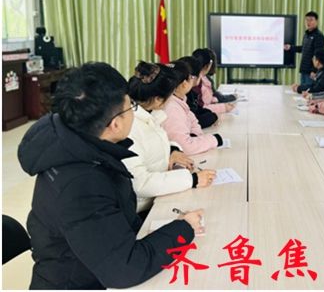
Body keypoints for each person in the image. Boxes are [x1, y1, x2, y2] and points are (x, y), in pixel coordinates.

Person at [17, 62, 204, 289]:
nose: (134, 111)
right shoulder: (82, 184)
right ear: (115, 124)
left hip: (93, 263)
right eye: (131, 106)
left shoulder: (76, 144)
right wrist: (183, 228)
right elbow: (125, 270)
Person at [125, 62, 217, 214]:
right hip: (145, 208)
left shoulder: (151, 114)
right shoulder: (129, 126)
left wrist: (172, 151)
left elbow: (158, 142)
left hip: (162, 193)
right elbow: (140, 184)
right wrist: (192, 180)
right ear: (158, 99)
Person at [163, 60, 226, 155]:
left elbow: (193, 121)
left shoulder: (180, 100)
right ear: (184, 84)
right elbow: (185, 147)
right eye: (191, 77)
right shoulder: (172, 108)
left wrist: (196, 137)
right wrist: (214, 139)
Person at [284, 11, 324, 89]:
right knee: (302, 91)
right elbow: (303, 48)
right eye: (307, 20)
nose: (308, 22)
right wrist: (290, 47)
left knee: (308, 91)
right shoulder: (306, 35)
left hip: (311, 71)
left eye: (311, 20)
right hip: (304, 69)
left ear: (316, 21)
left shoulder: (319, 36)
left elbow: (318, 54)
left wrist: (314, 70)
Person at [191, 48, 236, 114]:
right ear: (209, 65)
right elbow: (200, 108)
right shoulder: (196, 83)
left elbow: (205, 100)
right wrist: (224, 107)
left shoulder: (203, 79)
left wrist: (214, 100)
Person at [179, 55, 219, 128]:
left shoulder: (189, 93)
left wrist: (210, 114)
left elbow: (197, 110)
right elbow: (194, 121)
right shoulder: (181, 96)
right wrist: (213, 116)